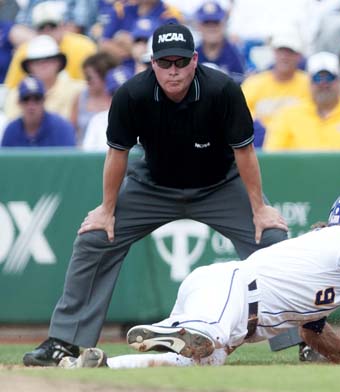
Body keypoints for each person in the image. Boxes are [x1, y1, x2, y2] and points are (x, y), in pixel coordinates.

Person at [22, 22, 289, 367]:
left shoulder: (221, 89)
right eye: (165, 63)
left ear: (195, 60)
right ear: (152, 63)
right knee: (94, 238)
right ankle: (65, 341)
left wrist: (259, 208)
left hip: (219, 184)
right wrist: (106, 209)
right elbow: (117, 154)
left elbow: (245, 152)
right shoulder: (132, 94)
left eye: (180, 62)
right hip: (154, 186)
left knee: (272, 237)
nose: (173, 71)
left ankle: (303, 339)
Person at [57, 189, 340, 368]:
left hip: (224, 297)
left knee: (193, 364)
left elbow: (313, 335)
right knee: (208, 339)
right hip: (234, 292)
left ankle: (102, 362)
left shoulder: (328, 261)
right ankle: (185, 330)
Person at [264, 51, 340, 152]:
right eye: (317, 78)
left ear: (339, 81)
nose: (323, 84)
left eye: (329, 77)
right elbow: (273, 159)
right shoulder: (287, 117)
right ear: (309, 82)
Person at [241, 27, 310, 148]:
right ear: (274, 53)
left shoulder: (308, 84)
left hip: (296, 145)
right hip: (259, 145)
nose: (285, 56)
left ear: (299, 56)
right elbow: (239, 113)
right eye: (281, 51)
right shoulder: (254, 83)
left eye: (290, 52)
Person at [4, 1, 96, 88]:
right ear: (34, 30)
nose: (47, 31)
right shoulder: (24, 52)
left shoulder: (84, 46)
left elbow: (95, 86)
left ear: (62, 25)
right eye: (42, 27)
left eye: (52, 26)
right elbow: (12, 90)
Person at [3, 34, 86, 121]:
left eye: (49, 60)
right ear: (29, 66)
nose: (43, 65)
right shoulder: (16, 94)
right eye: (37, 62)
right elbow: (12, 125)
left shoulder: (79, 90)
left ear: (58, 62)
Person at [1, 76, 76, 147]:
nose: (31, 105)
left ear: (44, 101)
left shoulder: (61, 128)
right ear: (19, 102)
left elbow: (70, 159)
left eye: (37, 99)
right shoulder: (11, 130)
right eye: (26, 99)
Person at [81, 65, 134, 151]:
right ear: (107, 95)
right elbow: (88, 158)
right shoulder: (97, 121)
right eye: (115, 94)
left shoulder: (146, 119)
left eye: (127, 94)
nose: (121, 99)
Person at [71, 52, 119, 144]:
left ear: (104, 76)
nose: (86, 81)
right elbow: (72, 131)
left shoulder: (119, 98)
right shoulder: (80, 98)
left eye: (89, 77)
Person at [194, 1, 246, 84]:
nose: (211, 28)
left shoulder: (236, 53)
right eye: (206, 23)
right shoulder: (192, 53)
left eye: (216, 22)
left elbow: (243, 83)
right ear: (199, 26)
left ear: (223, 24)